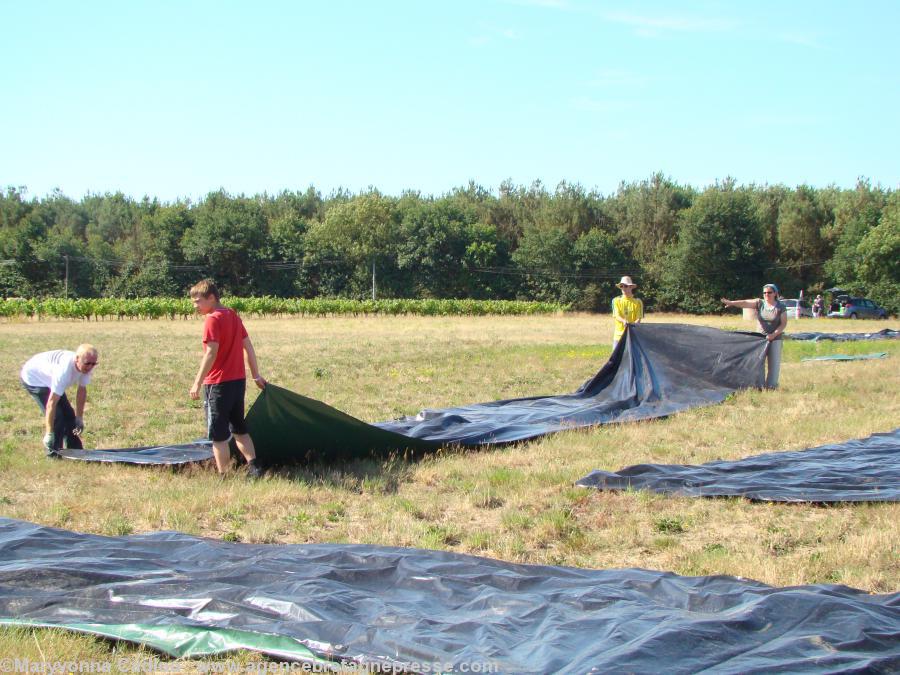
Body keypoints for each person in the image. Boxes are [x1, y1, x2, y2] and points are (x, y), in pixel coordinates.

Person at [189, 279, 266, 477]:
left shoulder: (212, 319)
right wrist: (255, 375)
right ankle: (255, 468)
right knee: (239, 427)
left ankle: (224, 475)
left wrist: (197, 382)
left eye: (198, 301)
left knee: (218, 435)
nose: (195, 305)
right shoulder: (233, 315)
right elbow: (248, 346)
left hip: (218, 384)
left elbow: (210, 353)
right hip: (238, 382)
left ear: (212, 298)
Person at [20, 344, 99, 456]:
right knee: (58, 417)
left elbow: (81, 391)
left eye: (93, 363)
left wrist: (79, 417)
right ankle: (53, 453)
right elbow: (51, 404)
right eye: (87, 363)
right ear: (77, 359)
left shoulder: (86, 365)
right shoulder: (64, 372)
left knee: (69, 415)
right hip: (34, 378)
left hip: (49, 377)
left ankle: (76, 451)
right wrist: (49, 433)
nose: (90, 367)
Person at [721, 283, 788, 389]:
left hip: (775, 339)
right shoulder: (759, 303)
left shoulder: (780, 307)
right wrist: (732, 303)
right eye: (764, 292)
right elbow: (745, 302)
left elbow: (783, 324)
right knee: (758, 363)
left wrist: (774, 334)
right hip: (760, 339)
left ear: (775, 293)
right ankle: (759, 386)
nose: (766, 294)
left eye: (769, 292)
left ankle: (771, 387)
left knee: (773, 365)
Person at [611, 275, 643, 348]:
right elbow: (617, 315)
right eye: (621, 286)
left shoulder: (638, 302)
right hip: (619, 335)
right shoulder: (616, 300)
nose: (623, 288)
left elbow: (639, 318)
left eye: (625, 286)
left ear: (631, 287)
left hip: (633, 336)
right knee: (616, 358)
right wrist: (623, 321)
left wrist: (633, 325)